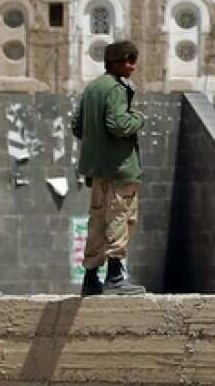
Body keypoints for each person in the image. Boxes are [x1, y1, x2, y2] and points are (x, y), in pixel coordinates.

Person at [71, 41, 148, 297]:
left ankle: (91, 278)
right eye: (127, 60)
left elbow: (77, 126)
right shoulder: (115, 89)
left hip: (98, 170)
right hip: (118, 169)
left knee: (97, 221)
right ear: (113, 63)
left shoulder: (92, 88)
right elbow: (118, 124)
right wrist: (139, 118)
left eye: (133, 60)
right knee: (120, 218)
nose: (132, 66)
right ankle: (115, 277)